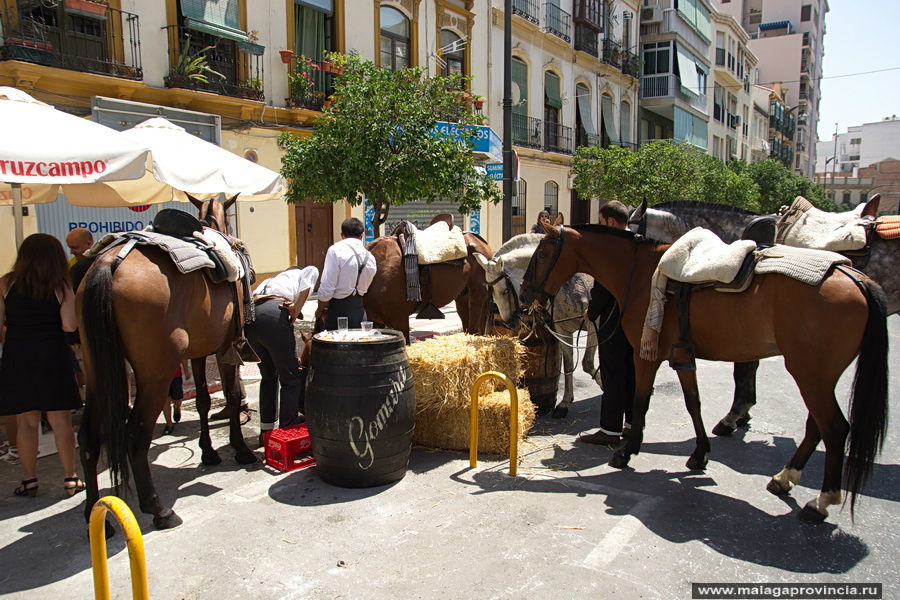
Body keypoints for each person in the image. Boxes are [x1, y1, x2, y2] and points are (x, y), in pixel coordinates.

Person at [0, 234, 85, 497]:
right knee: (61, 422)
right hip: (52, 354)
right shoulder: (60, 285)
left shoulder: (6, 283)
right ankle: (70, 477)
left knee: (26, 421)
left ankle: (29, 480)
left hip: (17, 355)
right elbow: (70, 325)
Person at [580, 201, 635, 447]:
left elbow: (602, 285)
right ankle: (632, 425)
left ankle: (609, 430)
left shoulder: (610, 246)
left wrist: (591, 312)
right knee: (632, 373)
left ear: (610, 222)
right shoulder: (637, 241)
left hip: (614, 320)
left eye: (601, 222)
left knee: (612, 374)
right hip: (635, 318)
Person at [246, 265, 319, 440]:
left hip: (251, 319)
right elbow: (308, 281)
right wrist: (295, 312)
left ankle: (266, 432)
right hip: (274, 313)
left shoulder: (269, 281)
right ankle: (287, 432)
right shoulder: (305, 271)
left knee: (268, 377)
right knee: (290, 377)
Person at [314, 218, 377, 330]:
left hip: (337, 313)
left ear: (342, 235)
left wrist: (319, 310)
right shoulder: (370, 258)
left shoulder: (335, 250)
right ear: (362, 235)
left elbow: (327, 287)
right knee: (359, 345)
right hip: (360, 314)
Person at [159, 360, 191, 436]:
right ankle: (169, 424)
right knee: (165, 401)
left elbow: (183, 357)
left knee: (177, 400)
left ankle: (177, 407)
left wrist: (186, 371)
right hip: (161, 377)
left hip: (175, 376)